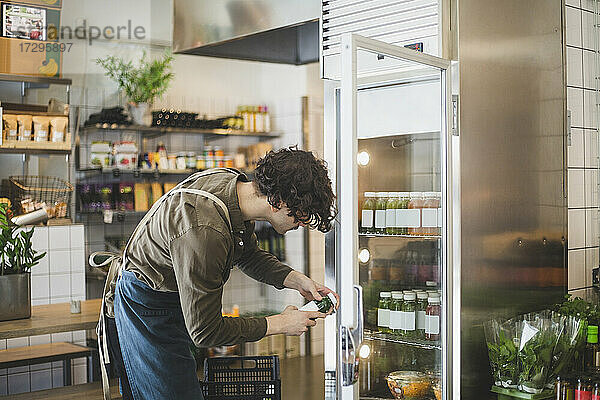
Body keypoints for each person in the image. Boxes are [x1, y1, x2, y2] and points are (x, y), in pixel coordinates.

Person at [104, 147, 338, 400]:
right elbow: (205, 331)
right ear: (278, 201)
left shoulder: (235, 190)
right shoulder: (206, 229)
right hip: (146, 305)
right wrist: (281, 323)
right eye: (301, 213)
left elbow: (246, 254)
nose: (302, 222)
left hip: (168, 298)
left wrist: (296, 280)